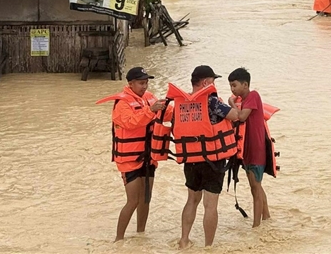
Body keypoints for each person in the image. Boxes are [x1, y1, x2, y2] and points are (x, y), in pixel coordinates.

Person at [95, 67, 171, 242]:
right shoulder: (121, 104)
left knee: (146, 198)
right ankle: (118, 239)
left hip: (148, 157)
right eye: (141, 83)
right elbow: (131, 122)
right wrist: (150, 110)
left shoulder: (149, 98)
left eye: (146, 83)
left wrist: (177, 107)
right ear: (130, 84)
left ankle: (140, 234)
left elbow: (166, 114)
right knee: (133, 200)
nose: (145, 86)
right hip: (129, 160)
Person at [168, 65, 240, 249]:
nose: (214, 84)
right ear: (206, 82)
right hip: (213, 160)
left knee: (192, 199)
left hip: (190, 158)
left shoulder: (181, 104)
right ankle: (208, 247)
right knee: (210, 205)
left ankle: (184, 240)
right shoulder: (211, 101)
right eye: (213, 80)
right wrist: (233, 103)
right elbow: (235, 116)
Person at [227, 68, 271, 228]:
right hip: (247, 149)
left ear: (245, 85)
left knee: (255, 187)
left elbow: (241, 116)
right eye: (230, 86)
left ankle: (256, 226)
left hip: (255, 149)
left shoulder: (253, 96)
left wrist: (231, 104)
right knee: (257, 185)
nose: (232, 89)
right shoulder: (245, 100)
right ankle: (266, 217)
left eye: (234, 85)